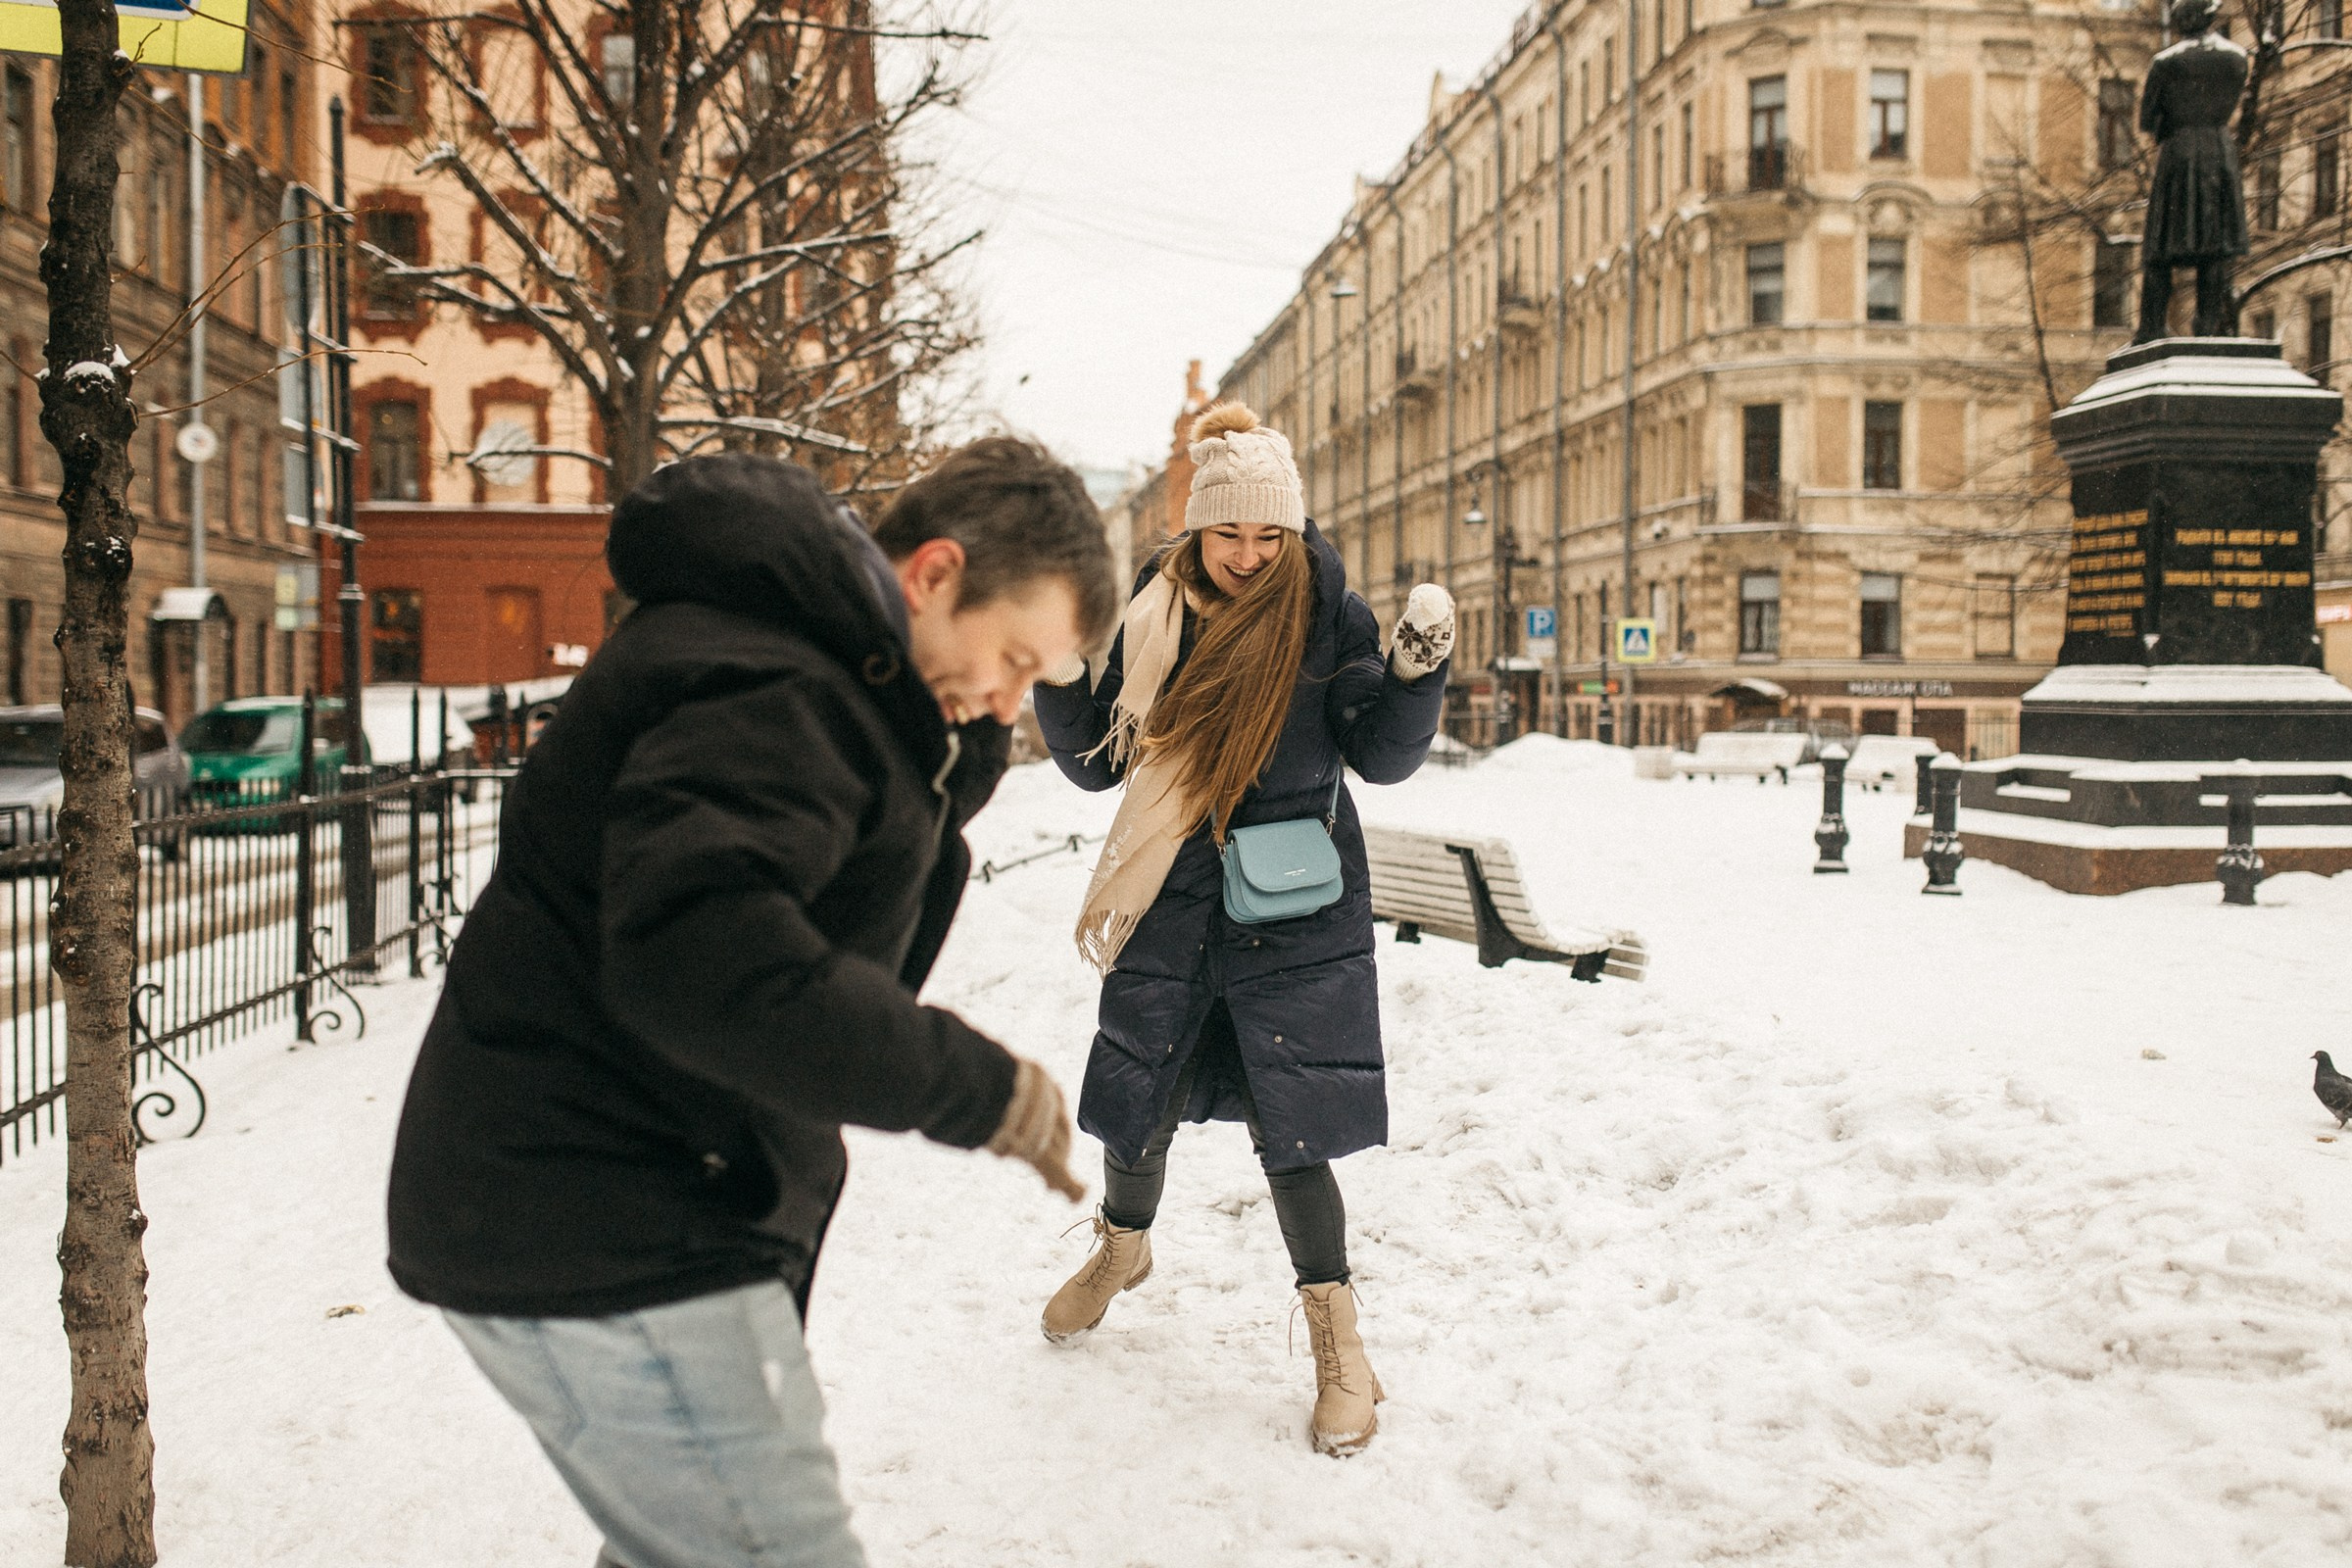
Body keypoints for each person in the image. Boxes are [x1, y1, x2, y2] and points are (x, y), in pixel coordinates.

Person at [386, 442, 1118, 1568]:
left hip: (629, 1194)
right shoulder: (777, 682)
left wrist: (951, 744)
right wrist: (976, 1086)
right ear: (931, 574)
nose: (1013, 703)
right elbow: (709, 959)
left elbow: (841, 950)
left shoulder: (838, 682)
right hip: (606, 1207)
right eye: (1014, 658)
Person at [1030, 404, 1455, 1456]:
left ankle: (1340, 1344)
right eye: (1231, 536)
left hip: (1293, 912)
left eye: (1272, 536)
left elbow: (1378, 752)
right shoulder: (1152, 610)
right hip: (1172, 901)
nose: (1253, 557)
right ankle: (1123, 1247)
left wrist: (1410, 681)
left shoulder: (1326, 614)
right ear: (1196, 530)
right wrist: (1058, 670)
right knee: (1138, 1106)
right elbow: (1096, 760)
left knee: (1293, 1132)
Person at [2132, 0, 2249, 343]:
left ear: (2182, 20)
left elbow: (2147, 119)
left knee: (2159, 246)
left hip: (2179, 154)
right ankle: (2207, 326)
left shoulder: (2166, 62)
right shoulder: (2236, 58)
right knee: (2214, 245)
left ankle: (2151, 326)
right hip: (2218, 152)